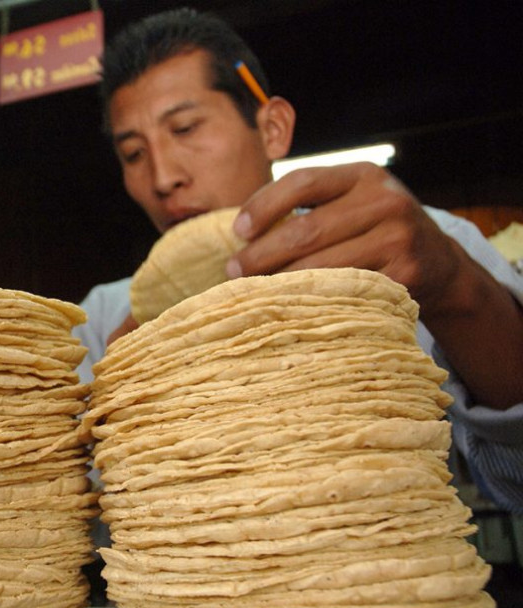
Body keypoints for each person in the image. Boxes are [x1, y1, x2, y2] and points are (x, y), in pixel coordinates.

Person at [73, 7, 523, 513]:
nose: (161, 177)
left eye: (185, 128)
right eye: (133, 154)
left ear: (271, 129)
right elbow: (73, 513)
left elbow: (515, 487)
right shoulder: (101, 324)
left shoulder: (418, 245)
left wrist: (459, 291)